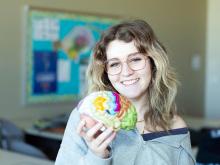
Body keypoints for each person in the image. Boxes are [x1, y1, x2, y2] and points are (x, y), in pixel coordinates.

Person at [55, 20, 196, 165]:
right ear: (106, 72)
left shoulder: (175, 126)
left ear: (153, 64)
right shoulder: (86, 118)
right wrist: (97, 155)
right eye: (115, 64)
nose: (127, 72)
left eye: (135, 59)